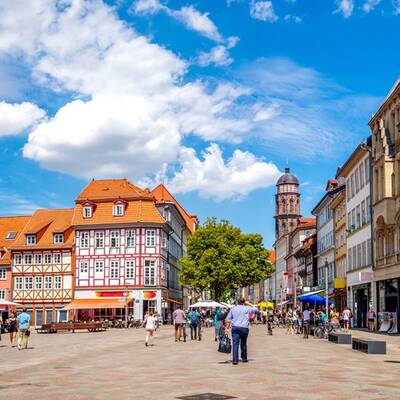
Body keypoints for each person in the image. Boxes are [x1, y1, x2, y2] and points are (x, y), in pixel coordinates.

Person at [225, 298, 258, 365]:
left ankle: (235, 360)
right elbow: (256, 310)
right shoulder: (246, 308)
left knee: (235, 344)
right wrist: (248, 303)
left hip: (235, 328)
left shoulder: (233, 308)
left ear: (237, 302)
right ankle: (244, 358)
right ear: (244, 302)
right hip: (244, 328)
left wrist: (227, 329)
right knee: (243, 343)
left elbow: (228, 319)